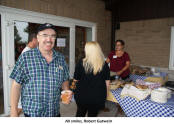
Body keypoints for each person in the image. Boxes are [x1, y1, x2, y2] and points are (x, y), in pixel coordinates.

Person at [10, 23, 71, 117]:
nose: (49, 39)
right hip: (33, 114)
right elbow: (16, 85)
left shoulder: (61, 58)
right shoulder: (26, 58)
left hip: (54, 113)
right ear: (38, 38)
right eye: (45, 35)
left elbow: (65, 79)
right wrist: (13, 112)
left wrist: (66, 90)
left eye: (52, 36)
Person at [73, 41, 110, 117]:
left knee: (80, 114)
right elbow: (107, 83)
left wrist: (72, 90)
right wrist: (106, 95)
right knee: (92, 115)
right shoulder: (104, 64)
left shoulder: (81, 63)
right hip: (97, 96)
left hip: (81, 95)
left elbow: (75, 80)